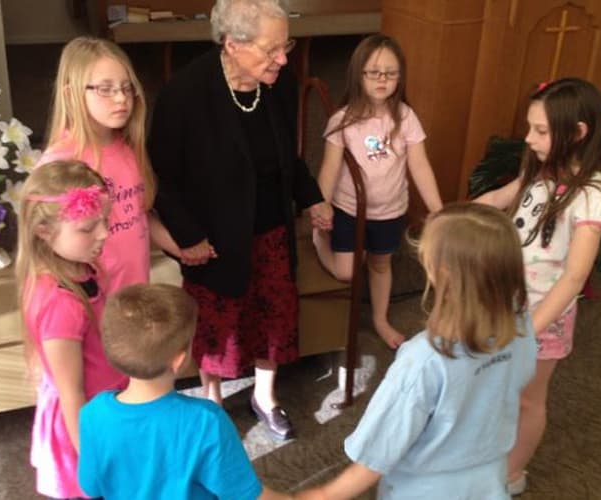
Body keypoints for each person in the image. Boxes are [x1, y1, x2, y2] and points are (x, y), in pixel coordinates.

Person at [147, 0, 332, 440]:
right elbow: (163, 177)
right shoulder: (185, 94)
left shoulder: (278, 85)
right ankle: (211, 402)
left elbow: (289, 157)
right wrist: (187, 236)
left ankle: (264, 396)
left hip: (269, 228)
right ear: (232, 44)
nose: (284, 59)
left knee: (274, 315)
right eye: (272, 50)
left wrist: (311, 199)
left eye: (285, 45)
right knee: (219, 323)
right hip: (213, 234)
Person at [297, 202, 537, 499]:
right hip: (488, 480)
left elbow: (380, 451)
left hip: (424, 489)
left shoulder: (423, 360)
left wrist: (323, 494)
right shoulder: (520, 323)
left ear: (442, 273)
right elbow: (522, 376)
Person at [474, 78, 601, 495]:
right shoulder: (539, 167)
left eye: (540, 131)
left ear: (576, 134)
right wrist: (458, 216)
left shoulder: (592, 195)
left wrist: (529, 328)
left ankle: (513, 473)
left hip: (541, 320)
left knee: (528, 399)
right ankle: (490, 449)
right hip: (503, 301)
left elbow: (574, 276)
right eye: (529, 127)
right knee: (493, 383)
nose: (528, 138)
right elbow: (504, 196)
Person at [77, 283, 290, 500]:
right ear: (179, 361)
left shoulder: (92, 413)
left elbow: (91, 487)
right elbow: (244, 495)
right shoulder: (206, 420)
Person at [313, 34, 443, 350]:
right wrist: (321, 205)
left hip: (390, 211)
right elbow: (329, 168)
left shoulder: (406, 118)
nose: (382, 79)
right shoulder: (342, 120)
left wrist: (438, 210)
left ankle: (381, 319)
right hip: (348, 209)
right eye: (374, 72)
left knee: (381, 264)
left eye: (391, 72)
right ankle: (320, 242)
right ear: (359, 75)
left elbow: (420, 166)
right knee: (346, 272)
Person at [15, 160, 127, 499]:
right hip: (83, 425)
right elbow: (72, 394)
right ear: (44, 232)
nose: (105, 233)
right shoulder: (61, 305)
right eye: (87, 228)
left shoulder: (84, 269)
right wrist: (92, 460)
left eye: (105, 222)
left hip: (104, 408)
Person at [40, 36, 177, 296]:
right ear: (71, 94)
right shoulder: (60, 164)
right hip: (92, 304)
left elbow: (138, 215)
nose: (121, 99)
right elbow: (47, 244)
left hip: (134, 296)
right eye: (105, 89)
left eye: (127, 88)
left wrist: (181, 248)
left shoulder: (128, 149)